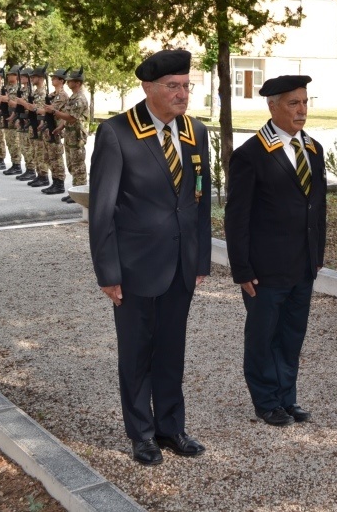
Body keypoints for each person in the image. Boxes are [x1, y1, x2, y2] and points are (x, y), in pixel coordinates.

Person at [89, 49, 211, 466]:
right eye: (173, 87)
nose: (182, 94)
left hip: (181, 264)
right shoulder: (117, 133)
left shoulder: (195, 132)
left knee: (172, 350)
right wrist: (108, 271)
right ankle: (141, 434)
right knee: (137, 353)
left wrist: (200, 259)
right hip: (135, 267)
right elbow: (102, 210)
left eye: (186, 86)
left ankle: (171, 428)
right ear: (148, 88)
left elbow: (200, 200)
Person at [224, 75, 327, 427]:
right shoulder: (250, 155)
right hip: (265, 268)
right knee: (263, 336)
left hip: (302, 264)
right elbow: (237, 217)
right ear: (272, 107)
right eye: (293, 103)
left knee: (292, 334)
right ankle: (266, 400)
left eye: (305, 102)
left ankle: (287, 397)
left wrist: (317, 254)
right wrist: (241, 268)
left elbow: (318, 208)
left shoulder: (313, 149)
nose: (302, 110)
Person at [50, 68, 89, 202]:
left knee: (78, 164)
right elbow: (67, 117)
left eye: (71, 81)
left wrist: (54, 111)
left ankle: (81, 192)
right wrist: (60, 127)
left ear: (78, 83)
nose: (68, 82)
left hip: (77, 135)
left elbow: (72, 117)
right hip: (70, 134)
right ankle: (75, 191)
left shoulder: (80, 99)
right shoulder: (73, 97)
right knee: (71, 164)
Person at [37, 68, 69, 195]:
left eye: (55, 78)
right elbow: (45, 110)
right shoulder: (51, 95)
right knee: (50, 157)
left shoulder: (62, 95)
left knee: (56, 157)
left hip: (56, 129)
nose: (52, 80)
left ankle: (59, 183)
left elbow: (49, 109)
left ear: (61, 80)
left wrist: (34, 108)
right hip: (48, 128)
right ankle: (55, 182)